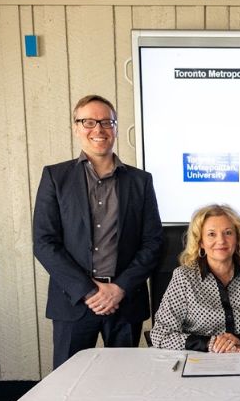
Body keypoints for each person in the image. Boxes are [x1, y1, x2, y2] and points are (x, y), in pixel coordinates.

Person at [33, 95, 164, 369]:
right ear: (76, 127)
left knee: (123, 384)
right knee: (68, 386)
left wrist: (119, 289)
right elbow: (44, 242)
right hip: (74, 301)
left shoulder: (140, 181)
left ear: (115, 128)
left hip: (125, 300)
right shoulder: (56, 178)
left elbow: (152, 243)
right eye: (89, 122)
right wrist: (88, 291)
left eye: (106, 122)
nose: (98, 130)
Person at [151, 204, 240, 352]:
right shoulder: (184, 277)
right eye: (211, 234)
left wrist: (239, 339)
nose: (221, 241)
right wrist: (212, 344)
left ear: (237, 238)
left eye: (228, 233)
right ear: (201, 242)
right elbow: (160, 334)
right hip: (199, 361)